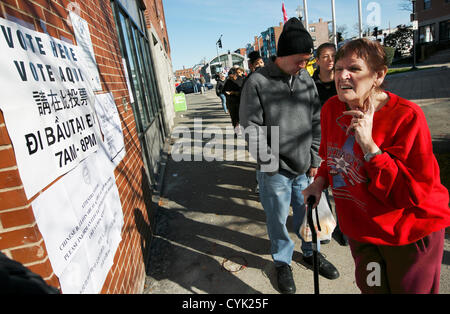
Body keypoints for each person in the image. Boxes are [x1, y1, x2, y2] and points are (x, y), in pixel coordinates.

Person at [302, 38, 450, 294]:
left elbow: (411, 194)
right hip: (362, 232)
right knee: (373, 290)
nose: (342, 75)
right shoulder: (331, 108)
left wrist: (370, 147)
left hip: (407, 233)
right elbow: (331, 158)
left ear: (378, 75)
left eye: (354, 69)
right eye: (338, 69)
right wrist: (319, 182)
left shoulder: (406, 117)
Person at [240, 17, 339, 294]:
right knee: (277, 219)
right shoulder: (257, 82)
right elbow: (251, 127)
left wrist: (314, 160)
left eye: (308, 60)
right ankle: (283, 262)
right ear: (283, 55)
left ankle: (311, 252)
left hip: (304, 166)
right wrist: (270, 164)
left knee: (308, 215)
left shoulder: (305, 77)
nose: (305, 65)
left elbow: (315, 119)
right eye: (301, 60)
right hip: (275, 171)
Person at [312, 42, 348, 246]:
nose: (330, 60)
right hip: (318, 140)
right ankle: (326, 225)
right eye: (325, 56)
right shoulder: (309, 85)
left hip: (341, 139)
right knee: (320, 184)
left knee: (343, 187)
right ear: (317, 60)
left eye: (333, 55)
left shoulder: (343, 81)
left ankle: (344, 227)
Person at [223, 68, 243, 135]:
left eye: (232, 76)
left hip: (240, 102)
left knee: (242, 117)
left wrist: (234, 93)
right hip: (231, 103)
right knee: (234, 118)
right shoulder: (228, 81)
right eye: (229, 77)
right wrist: (227, 93)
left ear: (235, 74)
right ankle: (236, 131)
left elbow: (244, 90)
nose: (231, 78)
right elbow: (223, 91)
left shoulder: (241, 79)